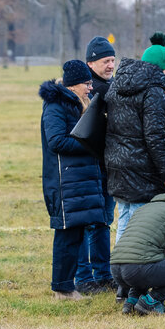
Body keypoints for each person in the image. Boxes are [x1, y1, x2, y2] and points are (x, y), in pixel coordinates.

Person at [39, 60, 106, 301]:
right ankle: (62, 288)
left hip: (77, 181)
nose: (90, 87)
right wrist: (90, 145)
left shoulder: (77, 104)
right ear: (74, 85)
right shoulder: (56, 106)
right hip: (63, 182)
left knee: (75, 234)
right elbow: (56, 142)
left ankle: (67, 287)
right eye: (87, 83)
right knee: (66, 236)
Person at [73, 36, 117, 295]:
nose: (110, 65)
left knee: (103, 221)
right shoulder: (89, 91)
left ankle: (103, 274)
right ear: (91, 63)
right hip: (90, 168)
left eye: (112, 60)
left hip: (107, 167)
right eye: (105, 61)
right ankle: (83, 277)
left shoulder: (110, 86)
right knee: (89, 222)